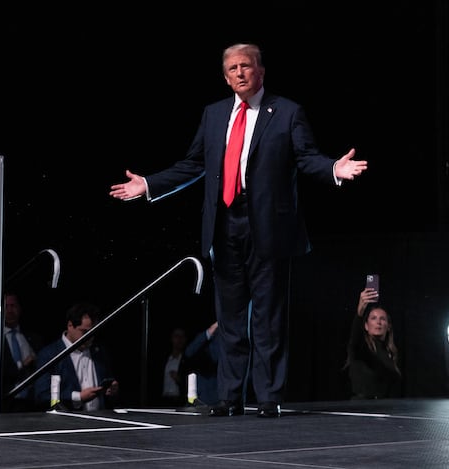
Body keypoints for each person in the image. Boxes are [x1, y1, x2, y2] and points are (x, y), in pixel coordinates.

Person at [109, 42, 368, 418]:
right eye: (232, 69)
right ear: (225, 76)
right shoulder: (214, 115)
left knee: (268, 317)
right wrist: (149, 184)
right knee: (229, 319)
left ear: (261, 71)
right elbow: (194, 164)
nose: (240, 73)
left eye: (246, 66)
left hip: (269, 227)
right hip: (224, 224)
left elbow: (307, 158)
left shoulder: (287, 112)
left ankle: (268, 397)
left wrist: (333, 169)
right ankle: (230, 396)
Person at [33, 301, 120, 411]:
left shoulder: (100, 352)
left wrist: (111, 390)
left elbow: (109, 392)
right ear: (70, 325)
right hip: (67, 423)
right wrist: (78, 397)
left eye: (93, 332)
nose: (90, 337)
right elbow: (42, 396)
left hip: (100, 421)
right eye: (84, 332)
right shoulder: (50, 355)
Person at [342, 288, 402, 399]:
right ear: (366, 325)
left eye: (382, 319)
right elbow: (355, 338)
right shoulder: (361, 348)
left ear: (388, 326)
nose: (378, 322)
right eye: (373, 318)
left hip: (385, 409)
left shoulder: (390, 353)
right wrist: (360, 311)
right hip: (362, 409)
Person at [1, 291, 42, 412]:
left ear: (19, 309)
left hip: (32, 402)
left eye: (13, 306)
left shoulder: (33, 338)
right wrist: (22, 365)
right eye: (6, 306)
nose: (9, 311)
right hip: (6, 402)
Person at [183, 321, 221, 406]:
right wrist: (210, 331)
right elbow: (189, 352)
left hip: (215, 397)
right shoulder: (206, 338)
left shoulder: (225, 341)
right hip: (199, 397)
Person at [159, 327, 188, 407]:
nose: (179, 339)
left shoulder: (186, 360)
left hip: (178, 401)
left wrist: (179, 380)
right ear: (172, 339)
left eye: (182, 337)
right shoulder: (165, 359)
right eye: (176, 336)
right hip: (164, 400)